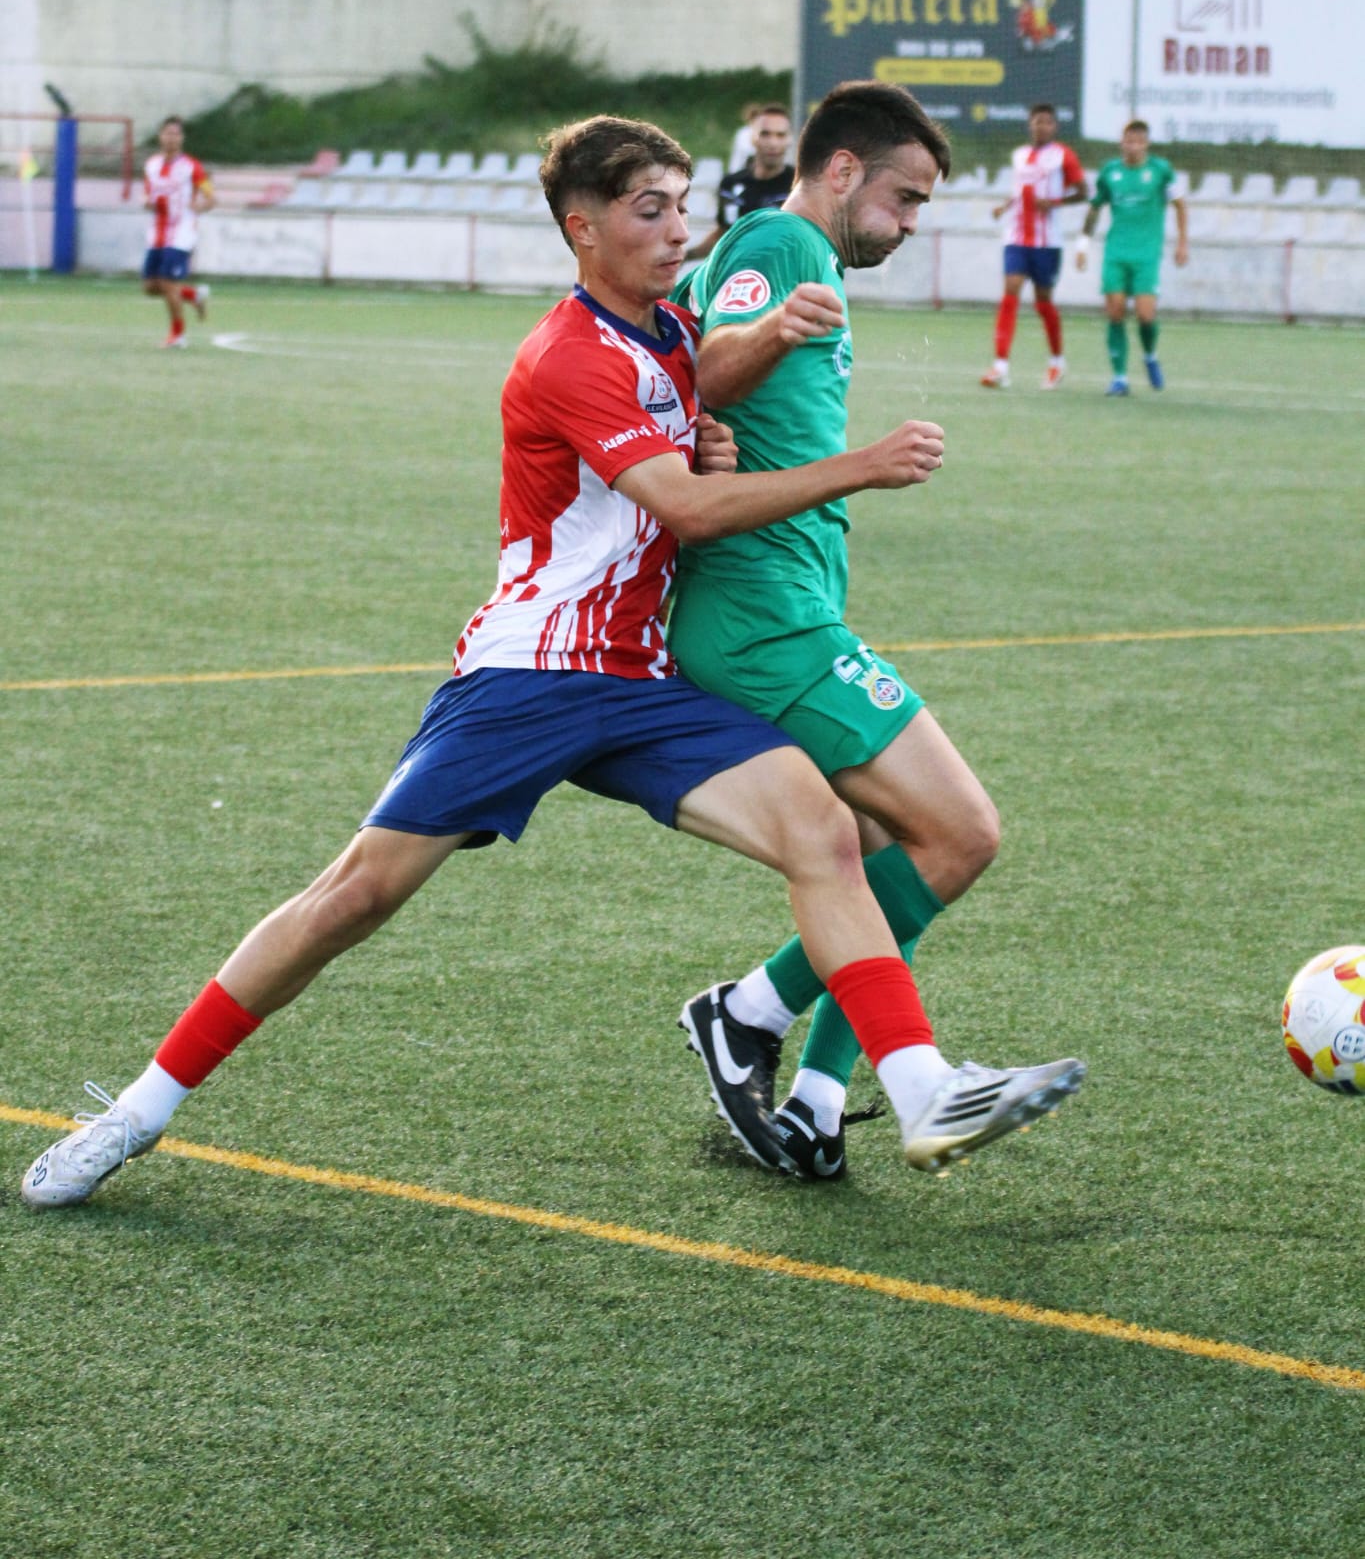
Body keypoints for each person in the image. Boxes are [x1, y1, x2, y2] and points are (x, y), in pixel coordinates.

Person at [21, 114, 1075, 1214]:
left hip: (643, 680)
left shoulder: (671, 331)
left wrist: (720, 414)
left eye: (681, 205)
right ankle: (138, 1107)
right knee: (354, 896)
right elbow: (686, 503)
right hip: (528, 678)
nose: (680, 231)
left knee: (826, 832)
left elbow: (704, 414)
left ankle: (921, 1090)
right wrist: (856, 464)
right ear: (583, 227)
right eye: (648, 210)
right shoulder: (566, 353)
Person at [670, 81, 1084, 1181]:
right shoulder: (779, 240)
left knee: (887, 851)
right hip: (762, 620)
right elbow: (691, 375)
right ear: (842, 169)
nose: (908, 224)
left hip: (791, 607)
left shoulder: (801, 258)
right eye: (903, 198)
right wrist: (763, 330)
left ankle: (811, 1097)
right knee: (962, 832)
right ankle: (746, 1012)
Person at [1076, 120, 1189, 395]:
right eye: (1129, 140)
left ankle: (1150, 355)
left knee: (1145, 314)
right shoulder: (1110, 172)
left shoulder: (1160, 171)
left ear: (1146, 143)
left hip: (1147, 254)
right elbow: (1094, 209)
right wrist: (1082, 244)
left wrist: (1182, 243)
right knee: (1114, 310)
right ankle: (1120, 377)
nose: (1133, 146)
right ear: (1121, 142)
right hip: (1116, 251)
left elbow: (1180, 205)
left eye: (1139, 141)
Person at [980, 103, 1086, 390]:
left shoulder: (1063, 155)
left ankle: (1057, 361)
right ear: (1030, 125)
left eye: (1047, 122)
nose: (1041, 126)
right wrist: (1004, 207)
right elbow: (1020, 191)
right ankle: (1000, 366)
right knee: (1010, 290)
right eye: (1037, 121)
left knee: (1043, 302)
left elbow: (1083, 192)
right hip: (1016, 237)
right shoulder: (1020, 156)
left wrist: (1053, 203)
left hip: (1047, 242)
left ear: (1055, 126)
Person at [141, 116, 213, 348]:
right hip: (157, 232)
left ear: (181, 138)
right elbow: (148, 194)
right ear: (160, 136)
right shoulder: (151, 165)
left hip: (181, 232)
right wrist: (147, 203)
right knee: (150, 287)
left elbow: (212, 198)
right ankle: (193, 295)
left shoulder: (192, 166)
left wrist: (199, 207)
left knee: (167, 282)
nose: (171, 138)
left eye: (175, 134)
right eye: (167, 133)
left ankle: (178, 335)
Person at [690, 102, 794, 261]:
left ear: (789, 139)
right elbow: (722, 234)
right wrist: (684, 257)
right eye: (765, 134)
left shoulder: (799, 185)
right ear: (752, 137)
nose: (773, 143)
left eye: (780, 135)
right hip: (736, 275)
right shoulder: (730, 184)